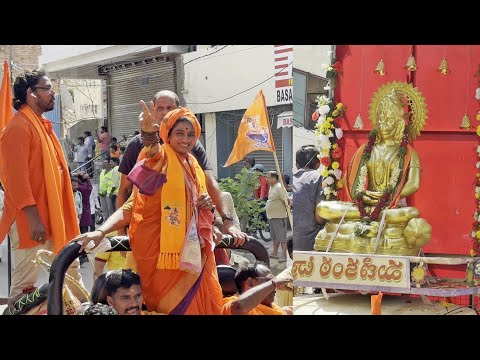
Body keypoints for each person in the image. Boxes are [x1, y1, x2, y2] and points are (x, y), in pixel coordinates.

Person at [76, 107, 224, 315]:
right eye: (179, 133)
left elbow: (197, 208)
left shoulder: (193, 165)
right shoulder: (161, 160)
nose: (185, 139)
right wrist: (101, 231)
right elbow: (132, 203)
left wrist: (208, 210)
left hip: (194, 258)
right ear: (168, 135)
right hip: (161, 261)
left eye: (191, 134)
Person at [116, 90, 247, 243]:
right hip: (148, 230)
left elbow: (208, 183)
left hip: (188, 231)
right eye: (160, 108)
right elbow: (125, 191)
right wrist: (121, 231)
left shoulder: (191, 144)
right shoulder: (138, 144)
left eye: (170, 108)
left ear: (178, 111)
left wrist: (225, 221)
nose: (165, 112)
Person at [0, 69, 84, 304]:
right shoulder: (18, 128)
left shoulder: (42, 126)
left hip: (56, 217)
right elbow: (15, 180)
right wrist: (34, 218)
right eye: (47, 88)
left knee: (71, 272)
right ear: (30, 93)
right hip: (33, 222)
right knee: (26, 285)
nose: (53, 93)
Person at [315, 86, 431, 255]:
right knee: (323, 208)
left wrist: (389, 196)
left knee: (410, 212)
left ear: (400, 122)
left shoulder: (409, 154)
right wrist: (362, 195)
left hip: (390, 207)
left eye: (389, 120)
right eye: (381, 119)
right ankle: (366, 224)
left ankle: (368, 226)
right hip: (361, 205)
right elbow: (351, 180)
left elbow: (413, 184)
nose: (384, 124)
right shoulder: (365, 150)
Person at [222, 263, 292, 315]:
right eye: (269, 280)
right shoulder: (233, 304)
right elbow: (238, 307)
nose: (274, 283)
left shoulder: (274, 309)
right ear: (249, 283)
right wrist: (274, 284)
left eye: (274, 280)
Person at [292, 145, 324, 251]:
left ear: (297, 165)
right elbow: (319, 216)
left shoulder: (293, 179)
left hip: (294, 239)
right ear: (318, 164)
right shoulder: (318, 177)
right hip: (312, 239)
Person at [265, 171, 289, 261]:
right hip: (272, 216)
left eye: (269, 178)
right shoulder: (272, 187)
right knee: (274, 237)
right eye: (266, 177)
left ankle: (284, 255)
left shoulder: (279, 187)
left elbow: (286, 200)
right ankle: (274, 253)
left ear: (274, 179)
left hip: (279, 216)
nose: (266, 179)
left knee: (282, 237)